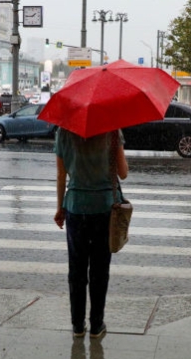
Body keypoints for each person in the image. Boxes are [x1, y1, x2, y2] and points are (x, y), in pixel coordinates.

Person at [54, 128, 129, 338]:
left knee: (76, 270)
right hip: (104, 209)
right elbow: (123, 172)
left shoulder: (64, 131)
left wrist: (60, 208)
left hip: (76, 207)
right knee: (99, 270)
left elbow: (61, 174)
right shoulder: (112, 130)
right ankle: (96, 325)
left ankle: (77, 326)